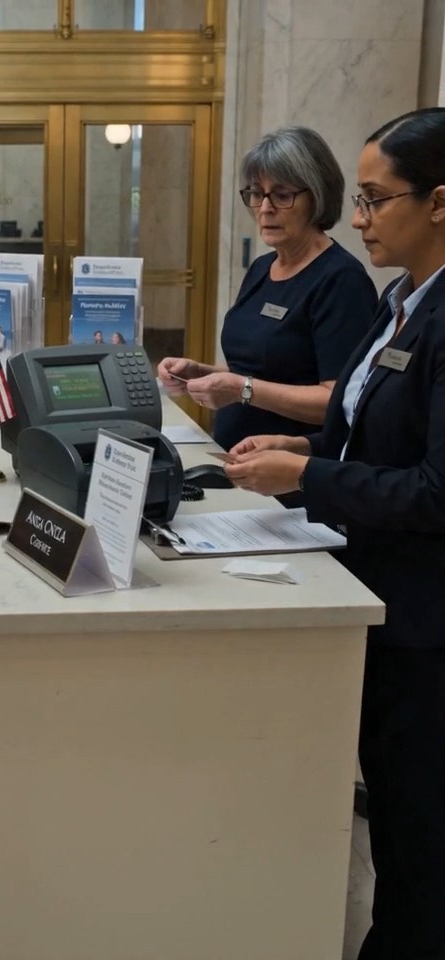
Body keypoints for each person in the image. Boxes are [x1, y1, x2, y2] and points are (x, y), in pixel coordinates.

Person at [223, 107, 445, 960]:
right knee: (392, 805)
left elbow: (434, 490)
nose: (358, 219)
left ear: (438, 203)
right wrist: (302, 448)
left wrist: (308, 476)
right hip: (373, 586)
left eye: (375, 200)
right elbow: (365, 434)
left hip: (425, 616)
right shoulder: (400, 300)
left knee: (418, 822)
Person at [158, 126, 377, 452]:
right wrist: (201, 373)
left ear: (317, 196)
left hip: (291, 465)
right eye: (257, 193)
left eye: (282, 195)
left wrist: (241, 389)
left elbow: (340, 401)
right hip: (233, 455)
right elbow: (261, 370)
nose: (264, 208)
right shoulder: (262, 268)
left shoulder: (341, 279)